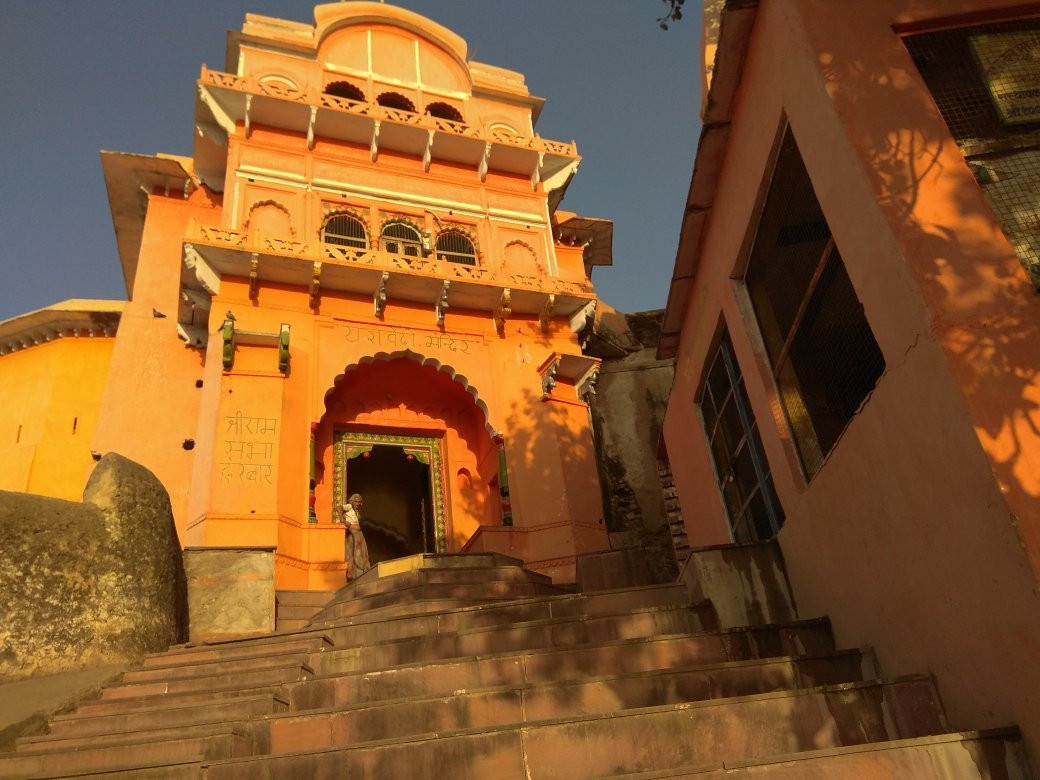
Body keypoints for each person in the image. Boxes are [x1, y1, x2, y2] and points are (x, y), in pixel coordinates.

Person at [336, 492, 371, 582]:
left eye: (359, 502)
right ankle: (351, 572)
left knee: (361, 551)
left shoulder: (356, 511)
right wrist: (343, 520)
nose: (358, 503)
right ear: (352, 501)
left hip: (358, 534)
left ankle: (359, 571)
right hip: (352, 533)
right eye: (356, 501)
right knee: (352, 552)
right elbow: (339, 507)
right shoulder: (349, 506)